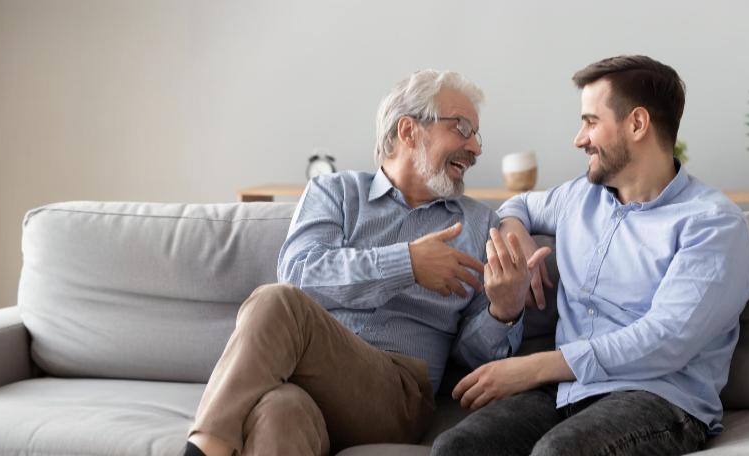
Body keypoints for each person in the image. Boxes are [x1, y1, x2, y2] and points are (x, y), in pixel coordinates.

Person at [185, 69, 549, 456]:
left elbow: (472, 364)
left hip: (397, 395)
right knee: (279, 409)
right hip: (306, 383)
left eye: (477, 135)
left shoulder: (479, 224)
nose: (476, 148)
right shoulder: (335, 193)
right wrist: (407, 263)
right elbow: (299, 272)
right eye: (462, 128)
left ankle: (203, 447)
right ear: (409, 131)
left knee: (277, 302)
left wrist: (504, 311)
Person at [431, 55, 749, 456]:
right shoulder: (578, 198)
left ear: (637, 124)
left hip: (659, 398)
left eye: (590, 121)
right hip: (567, 393)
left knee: (560, 453)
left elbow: (666, 340)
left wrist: (535, 367)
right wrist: (518, 236)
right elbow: (518, 205)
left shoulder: (713, 224)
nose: (579, 138)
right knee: (456, 447)